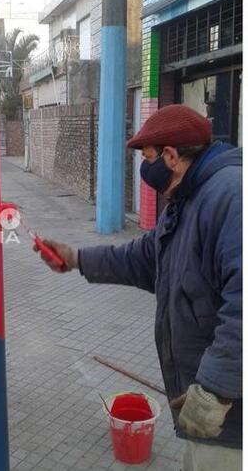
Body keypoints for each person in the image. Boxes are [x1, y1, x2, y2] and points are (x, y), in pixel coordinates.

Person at [34, 105, 241, 471]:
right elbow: (144, 258)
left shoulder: (230, 197)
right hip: (204, 401)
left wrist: (214, 390)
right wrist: (77, 258)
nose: (145, 170)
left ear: (171, 156)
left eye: (148, 159)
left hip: (230, 419)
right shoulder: (187, 199)